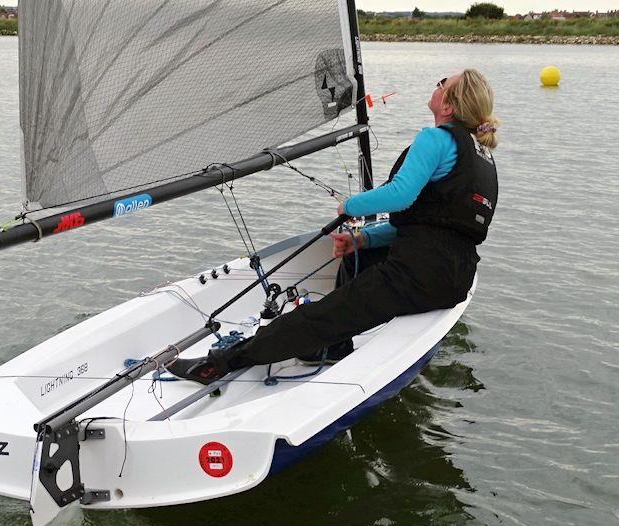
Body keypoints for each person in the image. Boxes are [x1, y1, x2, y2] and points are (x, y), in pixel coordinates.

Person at [168, 69, 499, 384]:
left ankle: (219, 364)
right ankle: (336, 345)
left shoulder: (435, 139)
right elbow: (432, 224)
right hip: (458, 277)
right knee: (361, 260)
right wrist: (364, 239)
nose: (436, 86)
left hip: (420, 273)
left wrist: (350, 206)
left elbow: (401, 195)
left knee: (318, 317)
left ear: (449, 104)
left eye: (442, 83)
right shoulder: (480, 153)